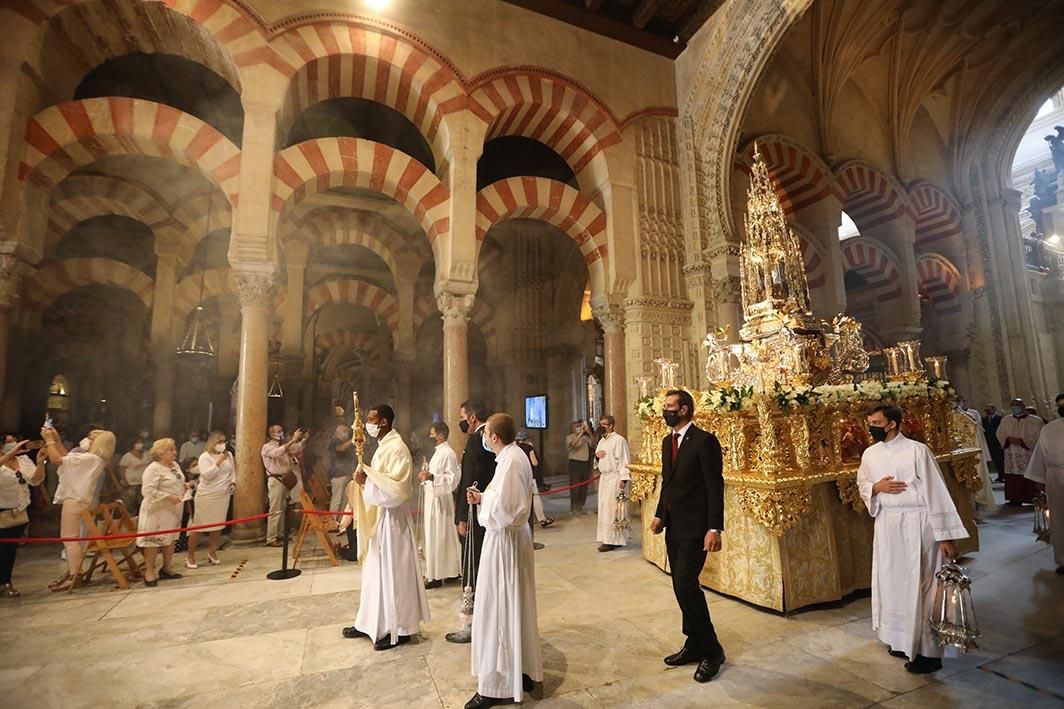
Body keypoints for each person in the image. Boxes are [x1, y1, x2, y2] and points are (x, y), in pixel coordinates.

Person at [857, 404, 969, 674]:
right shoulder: (870, 453)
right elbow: (862, 482)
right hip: (887, 525)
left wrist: (945, 536)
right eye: (869, 421)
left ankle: (928, 652)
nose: (871, 426)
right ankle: (899, 639)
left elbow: (936, 491)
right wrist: (876, 487)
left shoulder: (917, 451)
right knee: (892, 581)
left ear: (892, 423)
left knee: (922, 587)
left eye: (876, 421)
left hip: (918, 524)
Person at [463, 413, 543, 709]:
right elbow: (504, 499)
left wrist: (485, 507)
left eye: (486, 434)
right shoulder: (513, 455)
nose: (483, 439)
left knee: (498, 607)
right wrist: (483, 498)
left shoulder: (510, 461)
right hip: (511, 537)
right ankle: (520, 670)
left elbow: (507, 511)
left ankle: (494, 686)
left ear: (493, 437)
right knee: (514, 605)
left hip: (504, 541)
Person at [650, 389, 726, 684]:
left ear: (683, 409)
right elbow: (667, 484)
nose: (664, 410)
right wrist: (660, 514)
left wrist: (714, 528)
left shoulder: (705, 441)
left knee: (686, 585)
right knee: (681, 587)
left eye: (669, 406)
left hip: (697, 528)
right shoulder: (667, 441)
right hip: (674, 526)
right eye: (664, 406)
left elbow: (713, 487)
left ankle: (712, 649)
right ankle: (693, 643)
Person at [342, 404, 429, 650]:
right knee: (374, 573)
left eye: (371, 419)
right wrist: (364, 481)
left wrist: (367, 480)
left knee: (394, 575)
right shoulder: (384, 447)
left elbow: (398, 491)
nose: (366, 424)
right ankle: (368, 622)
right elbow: (380, 482)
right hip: (380, 520)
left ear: (383, 422)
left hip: (394, 522)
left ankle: (399, 629)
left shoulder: (398, 449)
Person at [41, 426, 116, 592]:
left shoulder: (91, 458)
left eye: (93, 438)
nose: (88, 439)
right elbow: (67, 457)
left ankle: (75, 574)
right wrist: (57, 439)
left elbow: (56, 460)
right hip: (79, 498)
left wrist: (49, 441)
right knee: (70, 538)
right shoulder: (92, 458)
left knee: (69, 538)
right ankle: (73, 572)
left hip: (75, 499)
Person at [447, 400, 497, 644]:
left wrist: (461, 516)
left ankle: (472, 622)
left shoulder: (478, 440)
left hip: (474, 512)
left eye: (463, 416)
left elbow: (470, 479)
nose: (462, 422)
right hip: (486, 510)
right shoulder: (489, 440)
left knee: (472, 564)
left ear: (473, 417)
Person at [138, 438, 189, 587]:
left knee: (170, 539)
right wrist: (168, 496)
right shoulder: (153, 469)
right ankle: (149, 571)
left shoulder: (174, 466)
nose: (175, 452)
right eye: (171, 450)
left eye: (174, 449)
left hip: (172, 510)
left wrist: (184, 487)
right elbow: (147, 491)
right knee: (153, 541)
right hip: (156, 510)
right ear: (161, 453)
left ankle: (167, 568)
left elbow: (178, 480)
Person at [1024, 392, 1064, 575]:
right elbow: (1040, 454)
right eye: (1060, 405)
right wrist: (1039, 480)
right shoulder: (1049, 429)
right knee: (1060, 519)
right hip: (1056, 478)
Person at [0, 440, 46, 597]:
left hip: (19, 510)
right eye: (9, 442)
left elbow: (35, 480)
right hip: (1, 508)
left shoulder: (23, 461)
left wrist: (40, 463)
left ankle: (6, 582)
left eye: (15, 441)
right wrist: (9, 455)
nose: (14, 444)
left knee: (9, 550)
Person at [420, 421, 461, 588]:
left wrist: (431, 477)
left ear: (441, 435)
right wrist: (426, 474)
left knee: (440, 538)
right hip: (433, 499)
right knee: (436, 537)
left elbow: (453, 480)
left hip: (441, 502)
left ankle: (437, 577)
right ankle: (448, 572)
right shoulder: (438, 452)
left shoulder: (448, 453)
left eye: (432, 434)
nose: (430, 437)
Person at [186, 431, 234, 568]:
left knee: (217, 526)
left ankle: (212, 552)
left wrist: (233, 482)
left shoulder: (228, 455)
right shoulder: (204, 457)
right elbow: (207, 475)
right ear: (213, 442)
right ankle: (190, 556)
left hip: (223, 494)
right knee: (199, 526)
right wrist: (218, 462)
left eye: (224, 441)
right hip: (207, 494)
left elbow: (232, 471)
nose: (222, 444)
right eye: (219, 441)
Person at [260, 424, 306, 547]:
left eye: (282, 430)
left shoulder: (284, 446)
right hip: (275, 480)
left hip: (286, 480)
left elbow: (296, 449)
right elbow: (277, 453)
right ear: (271, 433)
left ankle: (280, 534)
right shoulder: (267, 447)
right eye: (278, 431)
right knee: (275, 509)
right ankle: (271, 538)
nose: (281, 433)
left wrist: (302, 440)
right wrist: (292, 440)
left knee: (283, 508)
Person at [594, 415, 632, 551]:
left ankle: (613, 540)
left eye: (603, 424)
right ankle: (607, 538)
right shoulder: (602, 441)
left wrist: (624, 479)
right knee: (604, 508)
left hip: (615, 479)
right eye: (600, 424)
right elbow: (598, 458)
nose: (601, 427)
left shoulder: (619, 440)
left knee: (613, 509)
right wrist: (597, 457)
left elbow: (624, 460)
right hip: (605, 478)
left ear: (610, 425)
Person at [996, 398, 1044, 505]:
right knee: (1013, 475)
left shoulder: (1035, 421)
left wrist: (1023, 441)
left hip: (1029, 453)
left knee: (1030, 473)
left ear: (1023, 406)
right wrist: (1007, 439)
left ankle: (1033, 497)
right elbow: (1000, 433)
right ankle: (1015, 499)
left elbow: (1039, 436)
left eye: (1017, 405)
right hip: (1011, 452)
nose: (1015, 407)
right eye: (1013, 405)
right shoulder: (1006, 420)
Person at [516, 432, 553, 528]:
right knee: (535, 498)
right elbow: (535, 462)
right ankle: (542, 519)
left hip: (518, 477)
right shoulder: (529, 448)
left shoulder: (514, 449)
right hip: (529, 477)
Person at [565, 420, 593, 512]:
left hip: (585, 464)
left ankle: (580, 506)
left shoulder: (585, 437)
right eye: (576, 427)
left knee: (584, 487)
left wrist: (589, 433)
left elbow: (593, 443)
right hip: (575, 464)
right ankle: (574, 507)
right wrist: (580, 434)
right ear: (572, 429)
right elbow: (573, 444)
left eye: (579, 426)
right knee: (575, 486)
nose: (578, 428)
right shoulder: (569, 437)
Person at [327, 424, 355, 514]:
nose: (346, 433)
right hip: (338, 474)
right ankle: (333, 521)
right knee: (337, 500)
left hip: (345, 473)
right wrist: (352, 440)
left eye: (347, 431)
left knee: (344, 501)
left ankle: (340, 522)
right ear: (338, 432)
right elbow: (340, 448)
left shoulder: (343, 442)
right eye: (344, 431)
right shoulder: (335, 441)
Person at [118, 437, 150, 510]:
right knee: (129, 503)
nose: (140, 444)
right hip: (131, 484)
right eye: (138, 442)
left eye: (141, 442)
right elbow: (121, 470)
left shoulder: (147, 454)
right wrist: (124, 481)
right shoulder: (127, 456)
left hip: (143, 482)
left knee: (141, 503)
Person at [982, 406, 1004, 481]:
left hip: (997, 443)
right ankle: (999, 475)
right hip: (989, 443)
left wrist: (1002, 443)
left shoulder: (999, 419)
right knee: (995, 460)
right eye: (986, 410)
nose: (987, 411)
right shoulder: (984, 420)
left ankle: (1002, 475)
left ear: (994, 409)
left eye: (988, 410)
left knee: (1000, 460)